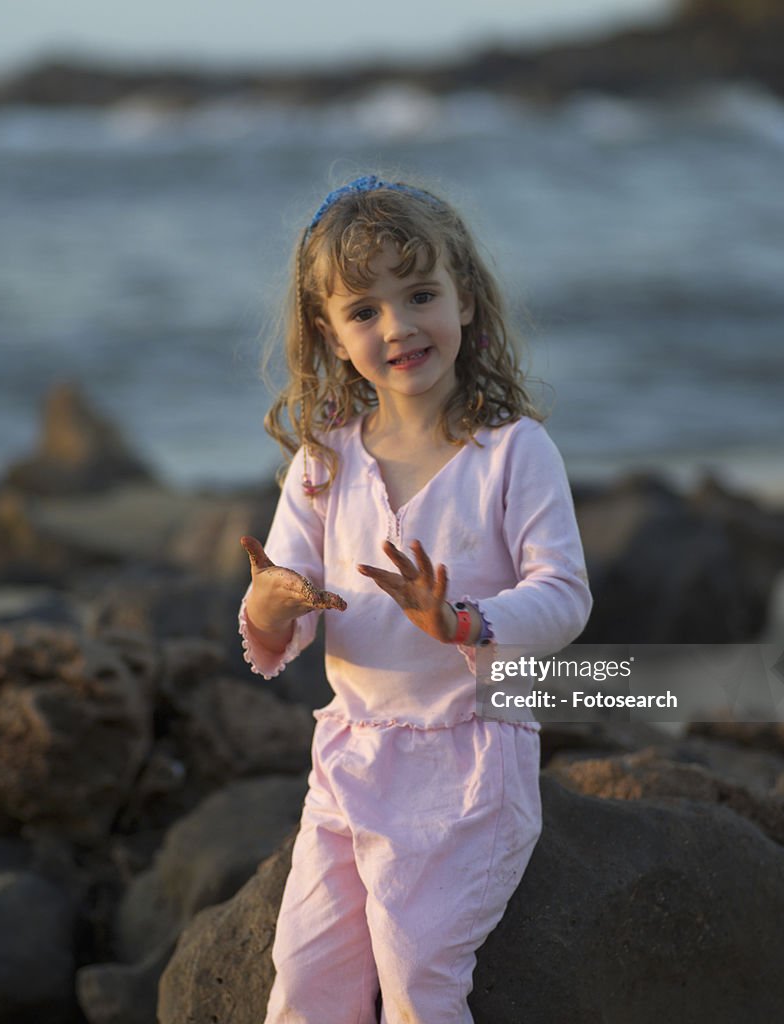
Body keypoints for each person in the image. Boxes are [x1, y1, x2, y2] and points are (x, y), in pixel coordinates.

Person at [238, 174, 592, 1024]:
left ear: (465, 300)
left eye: (420, 294)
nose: (397, 327)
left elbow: (566, 593)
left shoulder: (513, 452)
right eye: (363, 311)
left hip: (471, 753)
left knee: (417, 971)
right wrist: (273, 604)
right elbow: (272, 612)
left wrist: (465, 621)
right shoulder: (323, 462)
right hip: (350, 758)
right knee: (303, 978)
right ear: (328, 332)